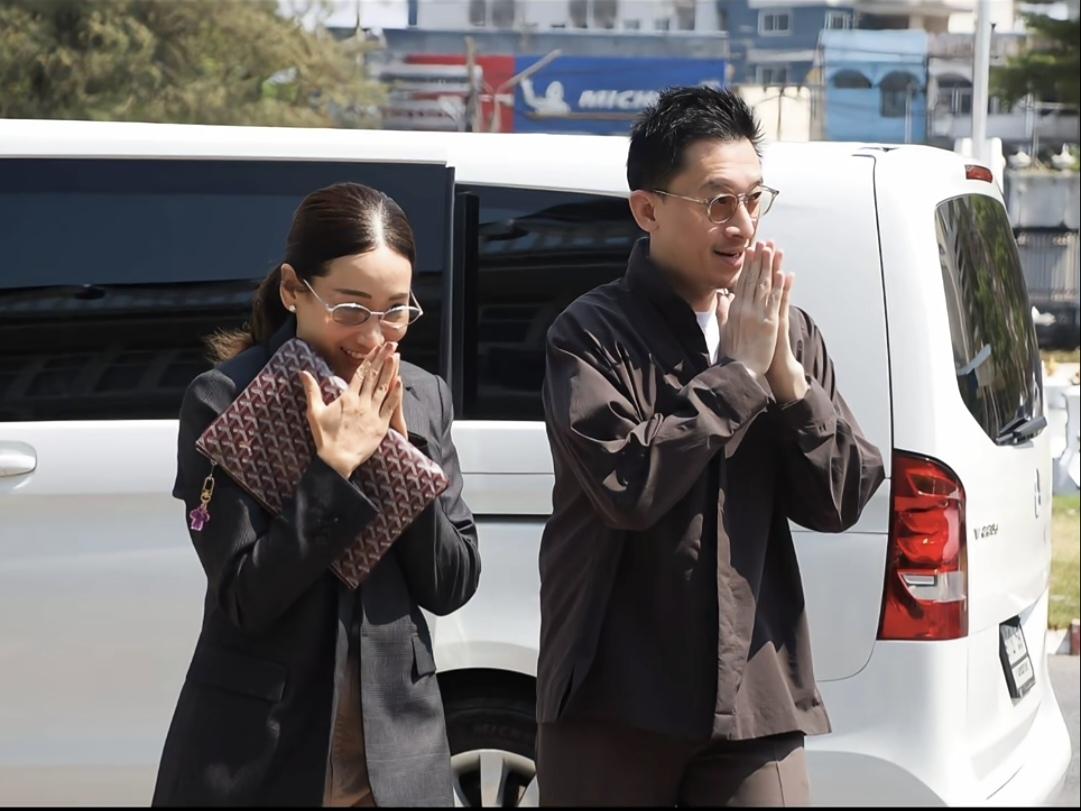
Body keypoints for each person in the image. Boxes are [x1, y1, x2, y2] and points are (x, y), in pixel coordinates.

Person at [535, 86, 885, 806]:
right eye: (718, 202)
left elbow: (840, 498)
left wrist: (790, 383)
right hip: (613, 692)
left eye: (755, 200)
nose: (743, 225)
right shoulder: (590, 333)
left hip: (753, 689)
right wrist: (738, 377)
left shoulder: (786, 330)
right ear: (647, 209)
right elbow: (627, 488)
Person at [153, 182, 480, 807]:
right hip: (260, 753)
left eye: (396, 312)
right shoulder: (225, 399)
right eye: (351, 309)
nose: (374, 338)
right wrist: (333, 469)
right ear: (292, 290)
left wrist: (399, 461)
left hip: (397, 756)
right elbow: (246, 597)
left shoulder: (422, 395)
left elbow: (452, 582)